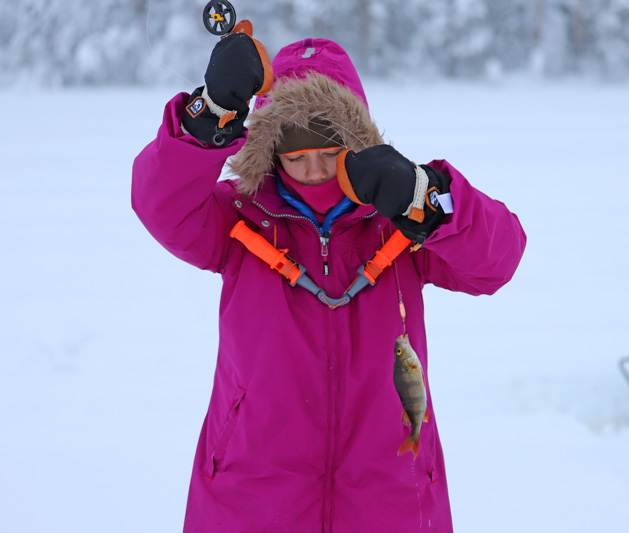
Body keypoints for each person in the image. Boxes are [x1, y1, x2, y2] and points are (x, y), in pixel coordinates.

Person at [131, 21, 526, 531]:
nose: (314, 172)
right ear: (272, 156)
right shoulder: (236, 219)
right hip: (251, 495)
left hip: (389, 498)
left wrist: (426, 197)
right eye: (296, 158)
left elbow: (499, 259)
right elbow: (158, 202)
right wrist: (208, 114)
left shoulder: (400, 223)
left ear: (356, 146)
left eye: (328, 154)